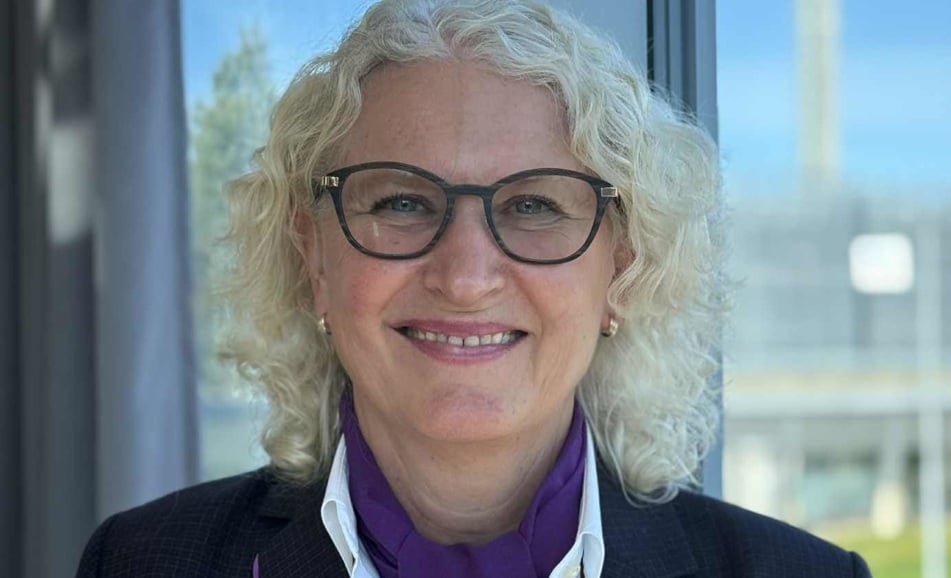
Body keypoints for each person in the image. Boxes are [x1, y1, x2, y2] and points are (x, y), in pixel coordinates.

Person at [78, 0, 871, 576]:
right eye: (399, 202)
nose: (464, 276)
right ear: (314, 259)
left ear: (622, 273)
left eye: (533, 206)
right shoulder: (142, 563)